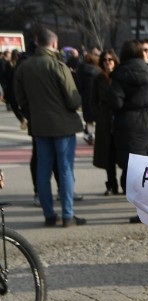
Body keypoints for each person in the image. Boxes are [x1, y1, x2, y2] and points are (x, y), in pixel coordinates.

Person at [14, 27, 86, 227]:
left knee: (42, 169)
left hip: (39, 124)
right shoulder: (58, 66)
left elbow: (19, 96)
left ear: (37, 43)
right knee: (65, 170)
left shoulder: (24, 67)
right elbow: (73, 100)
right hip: (62, 125)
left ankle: (48, 214)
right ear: (54, 44)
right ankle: (67, 214)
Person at [110, 40, 148, 200]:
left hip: (127, 124)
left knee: (131, 166)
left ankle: (138, 201)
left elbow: (116, 103)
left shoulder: (119, 74)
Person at [91, 49, 120, 195]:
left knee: (121, 153)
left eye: (110, 60)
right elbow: (93, 99)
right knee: (108, 154)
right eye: (105, 60)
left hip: (120, 118)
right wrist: (98, 115)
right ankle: (111, 185)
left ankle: (125, 184)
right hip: (104, 119)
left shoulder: (121, 76)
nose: (108, 63)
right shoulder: (98, 79)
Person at [76, 52, 101, 144]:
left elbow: (78, 85)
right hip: (97, 97)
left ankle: (90, 135)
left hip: (86, 97)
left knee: (89, 119)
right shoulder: (99, 70)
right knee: (97, 117)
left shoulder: (81, 70)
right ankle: (97, 135)